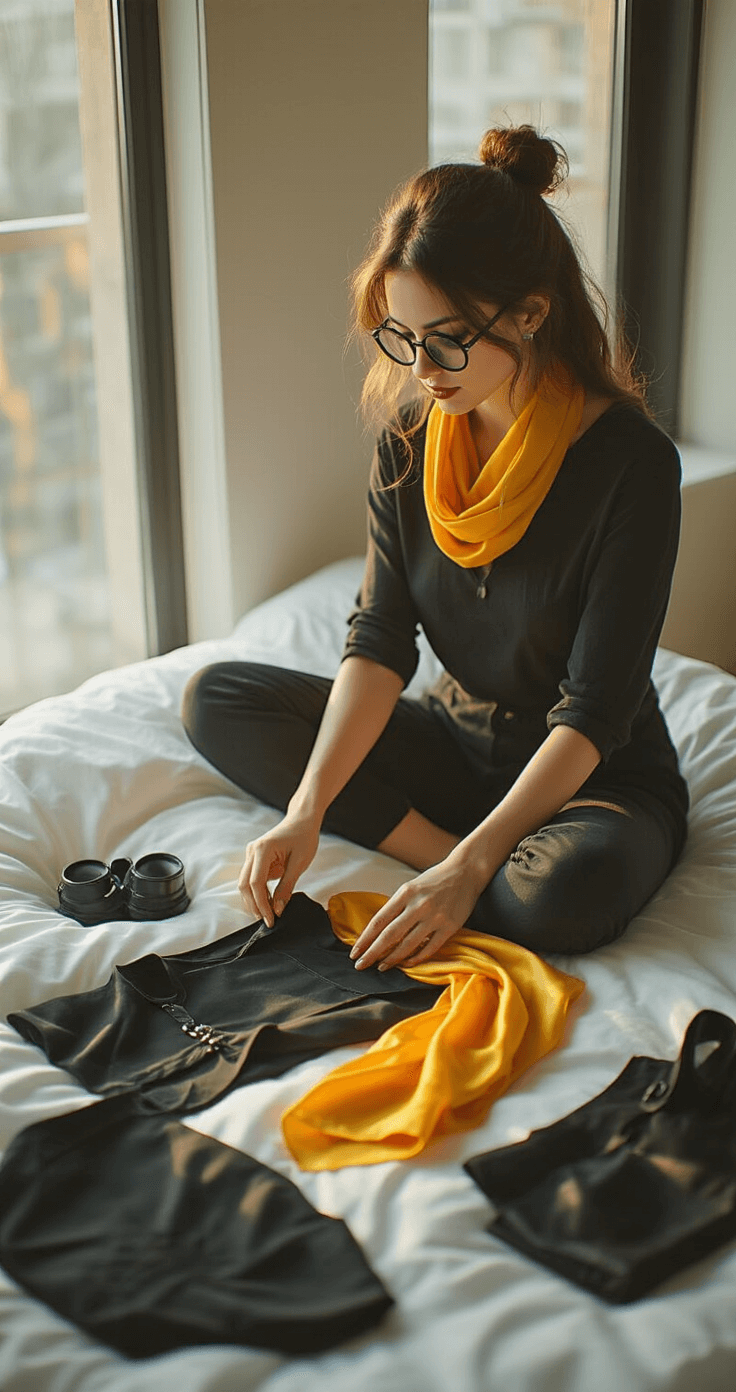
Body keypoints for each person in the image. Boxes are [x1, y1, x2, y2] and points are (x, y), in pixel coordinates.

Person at [182, 125, 688, 974]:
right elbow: (380, 641)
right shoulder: (413, 441)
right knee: (218, 698)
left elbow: (597, 710)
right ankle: (443, 856)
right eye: (401, 337)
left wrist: (475, 866)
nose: (422, 369)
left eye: (446, 338)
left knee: (562, 895)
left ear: (531, 312)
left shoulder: (630, 465)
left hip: (593, 774)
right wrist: (307, 810)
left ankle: (470, 865)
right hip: (459, 747)